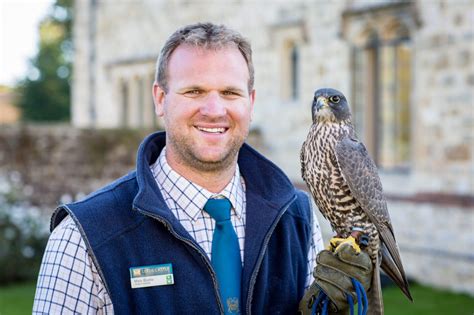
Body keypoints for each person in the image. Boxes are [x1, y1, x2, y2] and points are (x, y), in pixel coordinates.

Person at [33, 22, 371, 314]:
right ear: (160, 99)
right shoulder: (84, 237)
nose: (214, 109)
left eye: (229, 92)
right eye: (194, 91)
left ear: (250, 103)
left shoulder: (297, 217)